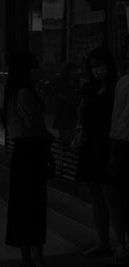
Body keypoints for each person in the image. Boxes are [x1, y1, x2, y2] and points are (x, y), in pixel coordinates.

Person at [74, 47, 126, 261]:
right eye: (94, 67)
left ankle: (121, 243)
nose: (98, 70)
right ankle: (103, 241)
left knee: (112, 196)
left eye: (101, 65)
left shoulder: (118, 88)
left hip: (109, 144)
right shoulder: (88, 89)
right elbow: (80, 113)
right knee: (96, 196)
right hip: (91, 145)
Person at [3, 52, 54, 267]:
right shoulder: (25, 93)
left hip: (22, 154)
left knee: (22, 206)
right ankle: (37, 256)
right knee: (33, 206)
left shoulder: (14, 93)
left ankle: (27, 257)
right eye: (35, 66)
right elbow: (35, 125)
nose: (39, 69)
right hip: (32, 152)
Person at [109, 35, 129, 265]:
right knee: (122, 199)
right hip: (124, 146)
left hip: (122, 146)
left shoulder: (123, 82)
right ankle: (122, 244)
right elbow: (117, 122)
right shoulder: (123, 82)